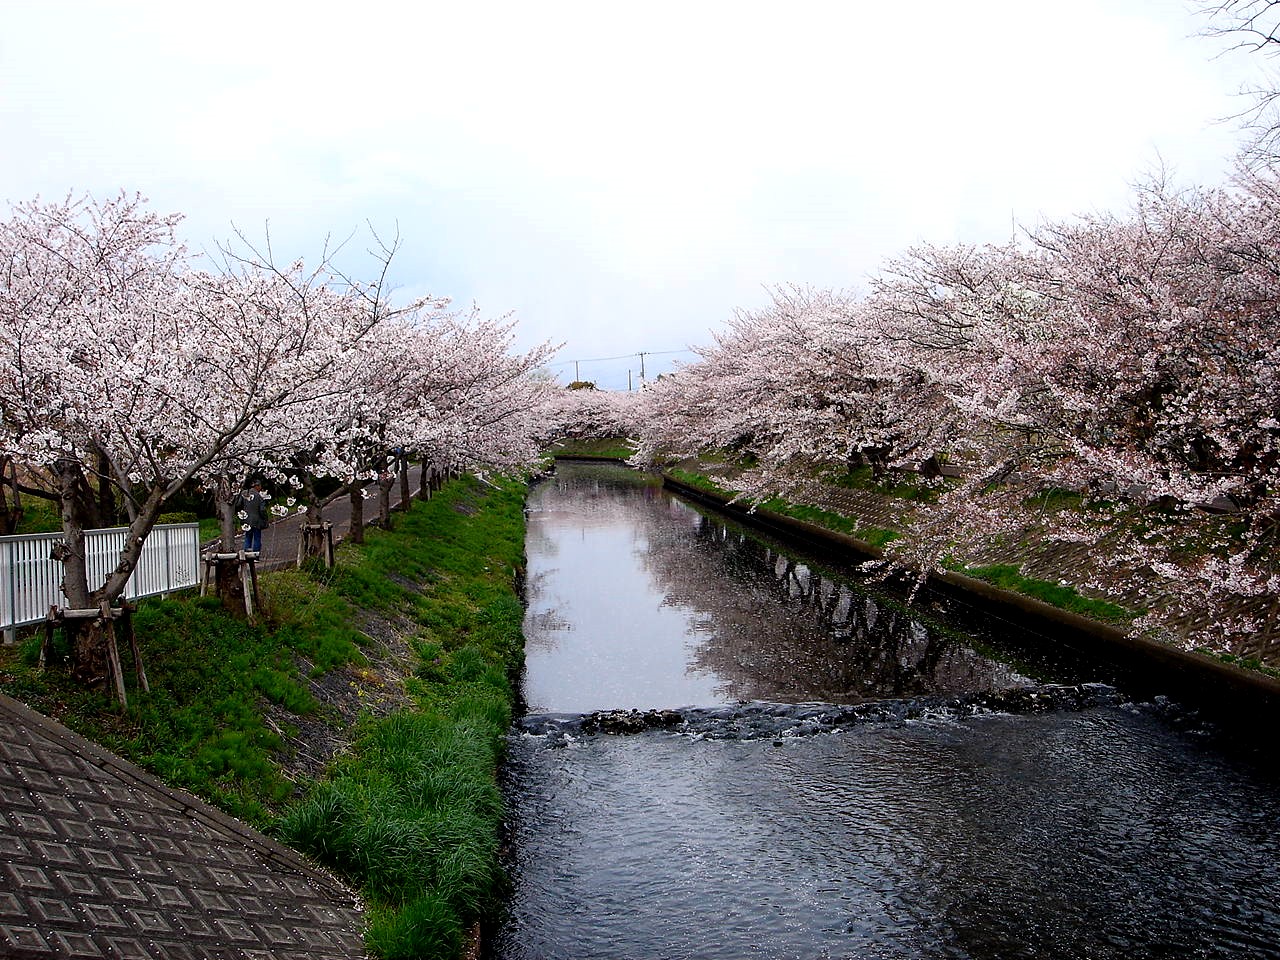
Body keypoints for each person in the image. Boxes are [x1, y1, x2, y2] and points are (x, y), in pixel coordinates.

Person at [233, 479, 269, 554]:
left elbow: (238, 505)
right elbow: (262, 510)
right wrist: (265, 519)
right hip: (257, 520)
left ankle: (246, 554)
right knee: (257, 538)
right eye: (260, 486)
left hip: (245, 519)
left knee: (248, 537)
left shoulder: (244, 493)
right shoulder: (259, 496)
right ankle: (255, 555)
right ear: (257, 486)